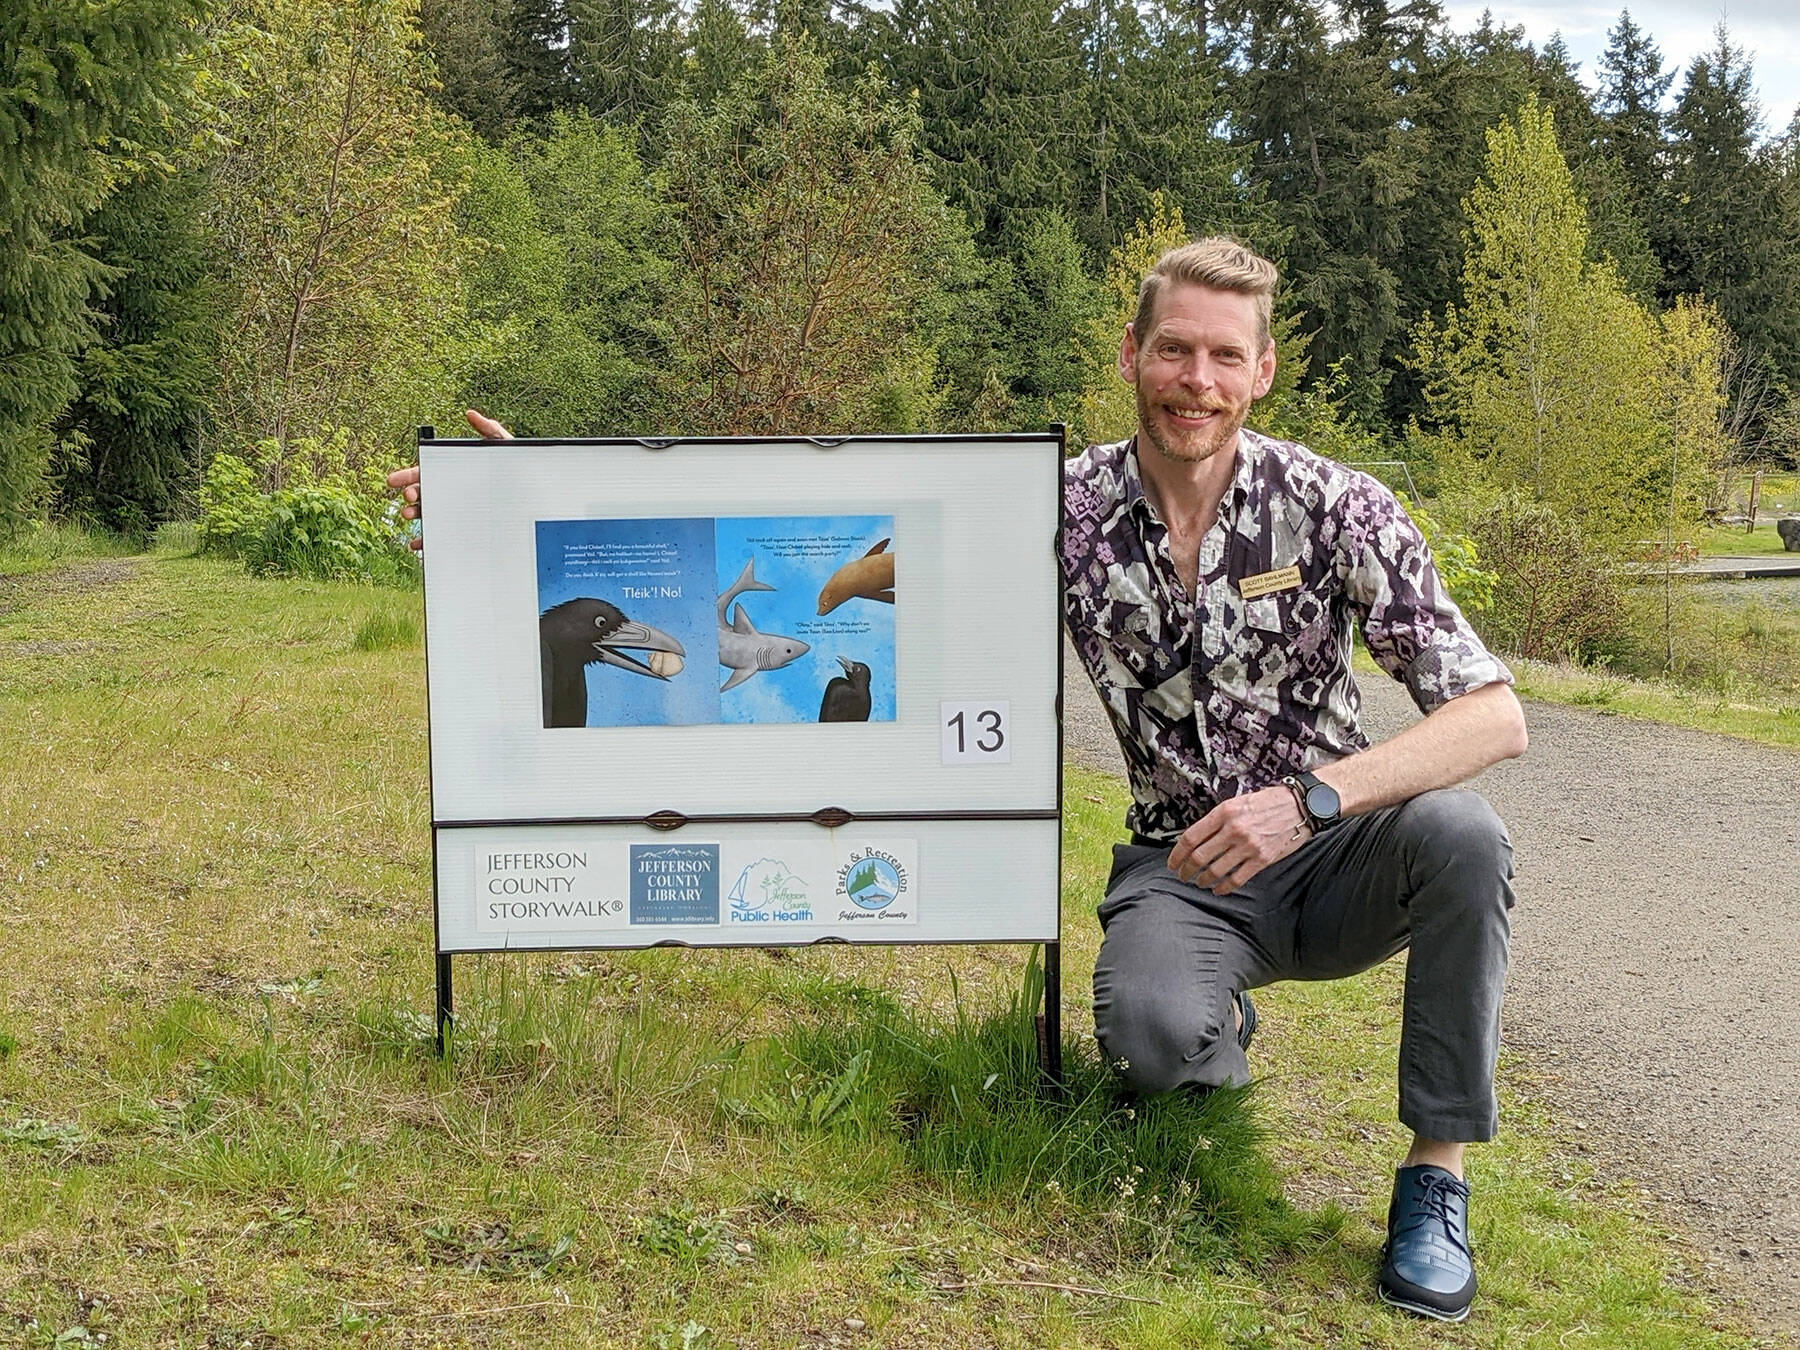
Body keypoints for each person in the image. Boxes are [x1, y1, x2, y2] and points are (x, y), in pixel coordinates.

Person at [387, 236, 1525, 1322]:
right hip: (1182, 867)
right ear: (1131, 356)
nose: (1197, 379)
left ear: (1263, 372)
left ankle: (1434, 1180)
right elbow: (809, 532)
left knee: (1466, 836)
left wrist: (1316, 797)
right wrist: (514, 505)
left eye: (1226, 355)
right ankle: (1201, 1031)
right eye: (1174, 349)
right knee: (1149, 1034)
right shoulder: (1057, 511)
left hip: (1336, 850)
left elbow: (1494, 713)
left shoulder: (1340, 508)